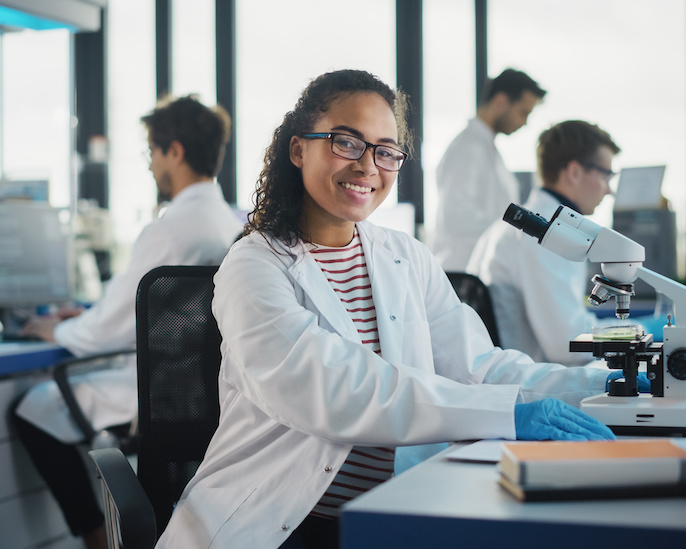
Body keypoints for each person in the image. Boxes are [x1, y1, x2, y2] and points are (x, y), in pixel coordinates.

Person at [155, 70, 622, 549]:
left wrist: (599, 385)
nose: (367, 166)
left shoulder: (406, 255)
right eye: (346, 142)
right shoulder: (252, 266)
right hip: (280, 522)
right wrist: (509, 412)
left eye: (385, 150)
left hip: (397, 508)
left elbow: (479, 366)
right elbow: (337, 390)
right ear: (299, 150)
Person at [13, 95, 244, 549]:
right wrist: (90, 315)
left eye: (152, 154)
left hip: (154, 389)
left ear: (173, 152)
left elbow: (109, 330)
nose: (151, 166)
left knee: (31, 409)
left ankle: (97, 540)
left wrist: (53, 330)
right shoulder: (224, 218)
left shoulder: (170, 227)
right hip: (196, 388)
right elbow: (145, 310)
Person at [467, 120, 664, 366]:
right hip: (537, 384)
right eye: (606, 175)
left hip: (520, 376)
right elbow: (568, 343)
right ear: (574, 172)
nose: (609, 190)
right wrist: (643, 330)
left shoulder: (507, 228)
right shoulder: (550, 236)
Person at [431, 68, 546, 271]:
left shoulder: (487, 150)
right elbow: (457, 216)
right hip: (462, 272)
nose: (525, 122)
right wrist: (517, 233)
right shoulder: (467, 149)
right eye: (523, 112)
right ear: (500, 102)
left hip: (479, 269)